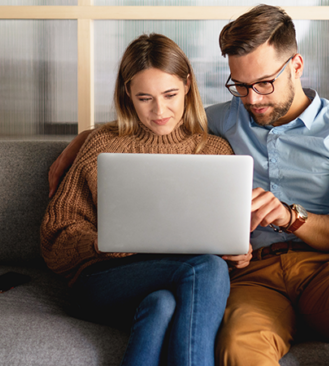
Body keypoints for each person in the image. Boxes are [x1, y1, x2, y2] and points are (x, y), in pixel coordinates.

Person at [48, 5, 329, 366]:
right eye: (241, 86)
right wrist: (86, 137)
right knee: (238, 348)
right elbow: (155, 123)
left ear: (296, 66)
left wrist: (290, 217)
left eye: (265, 83)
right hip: (255, 277)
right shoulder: (221, 121)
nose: (252, 99)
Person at [40, 33, 246, 366]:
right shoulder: (103, 145)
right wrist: (102, 243)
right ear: (128, 94)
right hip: (102, 282)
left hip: (174, 285)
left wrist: (238, 252)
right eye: (144, 98)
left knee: (162, 305)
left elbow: (224, 234)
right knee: (205, 266)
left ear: (188, 85)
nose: (160, 110)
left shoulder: (215, 151)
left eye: (170, 94)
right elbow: (54, 239)